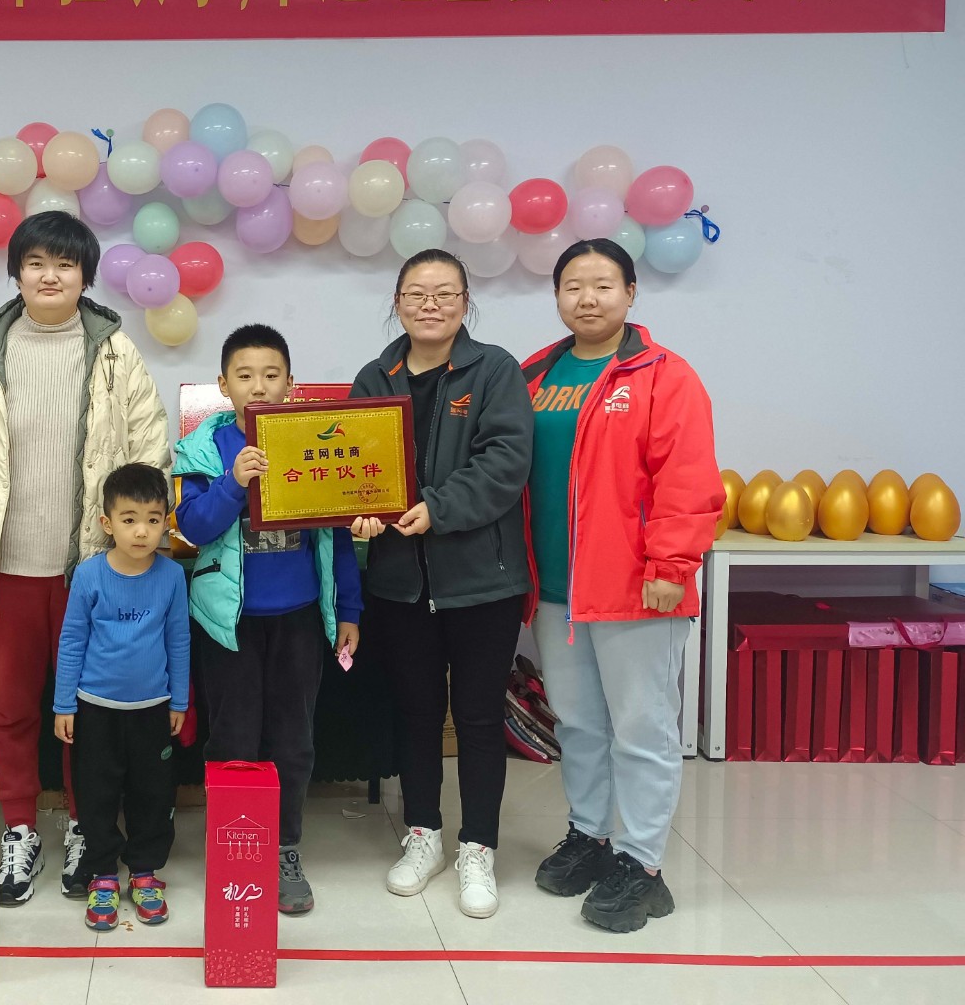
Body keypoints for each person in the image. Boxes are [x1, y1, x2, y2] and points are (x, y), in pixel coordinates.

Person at [0, 212, 170, 906]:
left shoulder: (116, 352)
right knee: (10, 706)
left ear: (86, 276)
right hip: (4, 565)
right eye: (35, 263)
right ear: (16, 273)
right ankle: (22, 829)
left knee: (86, 708)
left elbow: (148, 448)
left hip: (92, 568)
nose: (50, 275)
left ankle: (88, 825)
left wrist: (134, 541)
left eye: (64, 263)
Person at [522, 238, 723, 934]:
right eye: (573, 285)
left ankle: (642, 863)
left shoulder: (664, 376)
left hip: (637, 587)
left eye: (603, 284)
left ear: (631, 293)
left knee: (641, 727)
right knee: (578, 722)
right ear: (557, 296)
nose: (588, 298)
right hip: (556, 589)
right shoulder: (536, 374)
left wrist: (671, 566)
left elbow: (688, 478)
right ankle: (591, 834)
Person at [348, 249, 534, 919]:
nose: (431, 304)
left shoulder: (495, 371)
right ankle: (423, 833)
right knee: (416, 713)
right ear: (397, 302)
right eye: (417, 293)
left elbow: (506, 462)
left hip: (483, 582)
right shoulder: (375, 378)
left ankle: (478, 846)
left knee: (479, 718)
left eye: (445, 293)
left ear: (465, 303)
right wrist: (358, 513)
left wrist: (437, 508)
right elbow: (352, 464)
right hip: (400, 584)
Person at [173, 324, 363, 916]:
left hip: (299, 616)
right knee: (233, 737)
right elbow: (194, 527)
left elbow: (337, 533)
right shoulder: (204, 448)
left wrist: (349, 610)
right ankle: (235, 846)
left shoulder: (312, 438)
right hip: (227, 622)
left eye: (271, 374)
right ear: (223, 384)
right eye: (245, 375)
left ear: (290, 383)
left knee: (292, 739)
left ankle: (284, 848)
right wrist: (234, 482)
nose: (258, 386)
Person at [53, 463, 189, 932]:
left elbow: (178, 640)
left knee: (153, 794)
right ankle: (103, 875)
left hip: (153, 710)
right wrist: (64, 705)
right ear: (107, 523)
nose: (142, 531)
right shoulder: (89, 575)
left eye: (153, 519)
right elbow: (72, 641)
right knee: (96, 795)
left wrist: (179, 700)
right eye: (129, 519)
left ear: (166, 522)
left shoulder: (172, 576)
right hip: (95, 710)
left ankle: (145, 873)